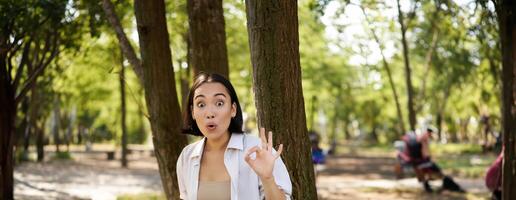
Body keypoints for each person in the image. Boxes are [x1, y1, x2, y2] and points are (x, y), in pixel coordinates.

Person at [176, 73, 292, 200]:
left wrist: (268, 178)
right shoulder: (187, 156)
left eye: (219, 103)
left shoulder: (257, 151)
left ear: (233, 109)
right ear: (193, 112)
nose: (210, 113)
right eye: (201, 104)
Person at [398, 128, 464, 193]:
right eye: (431, 134)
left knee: (428, 174)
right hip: (425, 162)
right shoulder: (423, 137)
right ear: (429, 132)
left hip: (420, 162)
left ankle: (429, 187)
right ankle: (450, 187)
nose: (431, 135)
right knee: (439, 174)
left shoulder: (419, 139)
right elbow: (424, 150)